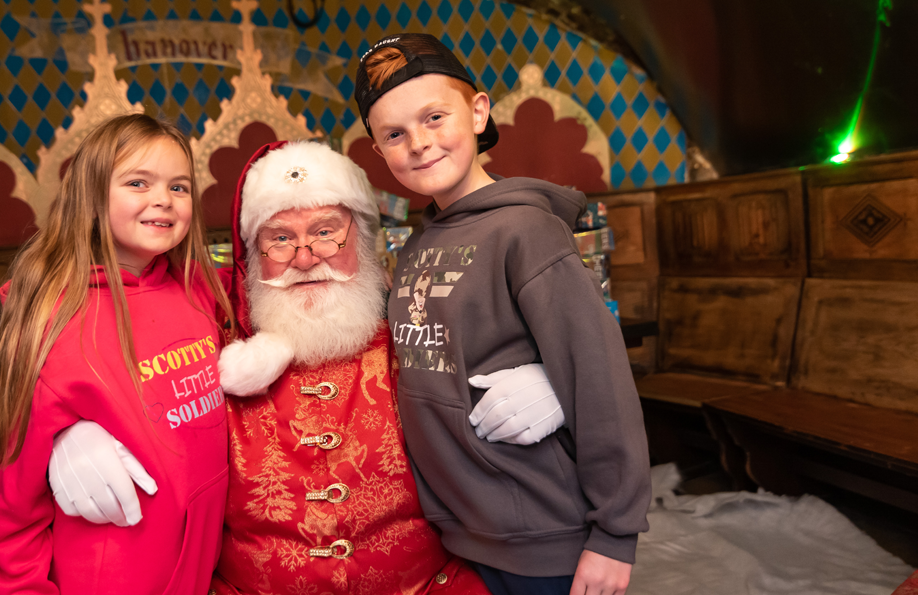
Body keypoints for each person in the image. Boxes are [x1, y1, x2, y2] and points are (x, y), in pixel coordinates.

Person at [45, 140, 567, 594]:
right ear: (252, 257)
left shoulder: (423, 333)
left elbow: (525, 326)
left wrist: (554, 377)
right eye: (279, 238)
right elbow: (124, 357)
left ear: (362, 243)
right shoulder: (210, 340)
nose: (303, 257)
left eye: (326, 233)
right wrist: (64, 431)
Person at [356, 33, 651, 595]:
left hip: (542, 530)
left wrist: (615, 533)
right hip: (460, 530)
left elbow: (598, 375)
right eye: (395, 133)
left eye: (435, 116)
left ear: (477, 111)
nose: (419, 143)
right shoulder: (418, 245)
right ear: (379, 150)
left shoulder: (527, 231)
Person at [0, 114, 235, 594]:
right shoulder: (52, 322)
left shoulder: (202, 290)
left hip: (205, 567)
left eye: (179, 187)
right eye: (138, 182)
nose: (163, 198)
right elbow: (16, 512)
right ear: (92, 197)